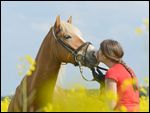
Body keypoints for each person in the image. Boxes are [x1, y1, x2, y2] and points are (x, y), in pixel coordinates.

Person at [91, 39, 139, 112]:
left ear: (104, 55)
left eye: (100, 50)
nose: (97, 52)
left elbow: (111, 106)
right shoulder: (129, 70)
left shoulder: (111, 72)